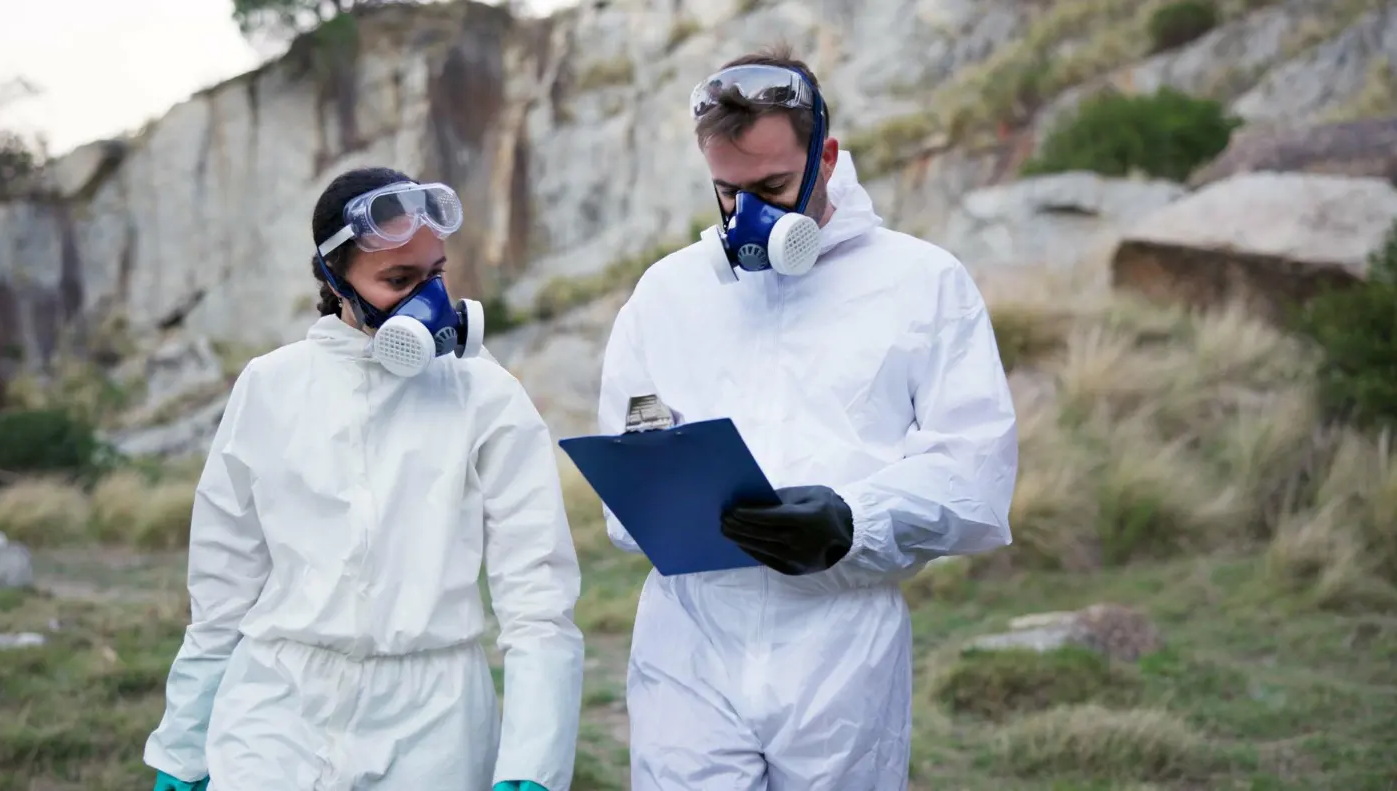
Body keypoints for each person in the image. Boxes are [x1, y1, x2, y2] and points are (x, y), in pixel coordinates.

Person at [595, 47, 1018, 790]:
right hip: (689, 645)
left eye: (773, 186)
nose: (747, 215)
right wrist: (657, 481)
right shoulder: (666, 294)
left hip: (840, 650)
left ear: (825, 156)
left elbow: (977, 477)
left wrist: (857, 518)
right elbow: (626, 483)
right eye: (728, 193)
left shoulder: (922, 283)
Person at [143, 167, 585, 791]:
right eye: (397, 280)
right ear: (334, 280)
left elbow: (538, 597)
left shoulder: (485, 393)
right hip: (279, 705)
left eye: (435, 275)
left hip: (435, 717)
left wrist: (533, 767)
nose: (428, 302)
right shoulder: (271, 387)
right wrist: (183, 746)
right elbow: (222, 586)